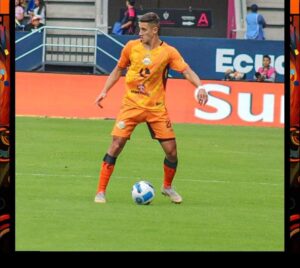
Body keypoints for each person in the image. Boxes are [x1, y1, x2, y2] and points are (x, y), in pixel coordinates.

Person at [94, 12, 208, 204]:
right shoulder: (131, 47)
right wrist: (104, 90)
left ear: (155, 30)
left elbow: (186, 71)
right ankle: (100, 191)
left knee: (171, 151)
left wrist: (200, 86)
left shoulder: (168, 52)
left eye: (144, 29)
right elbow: (118, 69)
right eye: (140, 28)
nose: (140, 32)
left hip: (156, 108)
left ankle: (167, 187)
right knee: (116, 144)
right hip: (131, 105)